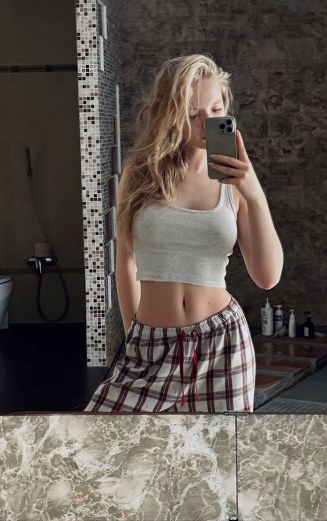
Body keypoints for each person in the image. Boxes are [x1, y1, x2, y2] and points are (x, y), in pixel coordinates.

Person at [84, 54, 283, 413]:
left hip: (222, 343)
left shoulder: (236, 181)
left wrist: (254, 194)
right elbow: (126, 261)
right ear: (170, 114)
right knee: (102, 439)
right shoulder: (138, 173)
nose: (207, 123)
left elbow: (267, 277)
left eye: (215, 109)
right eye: (192, 114)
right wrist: (134, 337)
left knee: (220, 449)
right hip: (149, 344)